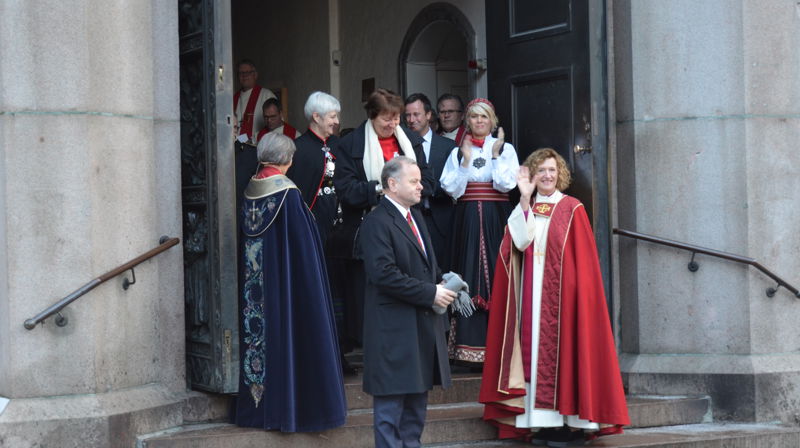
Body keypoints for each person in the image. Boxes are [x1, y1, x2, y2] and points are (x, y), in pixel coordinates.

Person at [479, 148, 629, 445]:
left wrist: (575, 298)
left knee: (568, 354)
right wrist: (524, 198)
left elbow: (583, 265)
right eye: (541, 170)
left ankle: (570, 423)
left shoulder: (572, 208)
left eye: (552, 170)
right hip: (532, 297)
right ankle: (543, 423)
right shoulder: (527, 207)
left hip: (565, 302)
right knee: (535, 357)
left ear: (560, 173)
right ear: (532, 175)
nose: (547, 175)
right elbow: (520, 242)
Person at [234, 132, 347, 432]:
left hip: (255, 286)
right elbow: (304, 249)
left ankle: (259, 409)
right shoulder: (288, 194)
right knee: (289, 334)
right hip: (286, 283)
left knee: (259, 337)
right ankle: (292, 412)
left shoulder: (250, 188)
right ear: (288, 160)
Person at [359, 156, 456, 448]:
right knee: (390, 410)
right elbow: (384, 274)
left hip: (420, 326)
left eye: (420, 181)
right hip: (393, 329)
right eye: (413, 181)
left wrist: (443, 282)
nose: (421, 187)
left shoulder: (415, 217)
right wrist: (430, 293)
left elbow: (426, 266)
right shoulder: (376, 221)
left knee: (415, 409)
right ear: (392, 184)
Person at [332, 88, 434, 349]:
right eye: (386, 119)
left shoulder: (411, 141)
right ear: (372, 115)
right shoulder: (350, 144)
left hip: (408, 228)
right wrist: (383, 189)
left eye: (396, 118)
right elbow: (346, 190)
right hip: (369, 226)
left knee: (409, 285)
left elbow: (428, 181)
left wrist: (408, 188)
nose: (392, 124)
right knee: (372, 295)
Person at [440, 98, 519, 366]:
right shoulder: (457, 151)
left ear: (492, 120)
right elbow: (452, 189)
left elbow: (506, 184)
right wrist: (465, 160)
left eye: (484, 117)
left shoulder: (505, 149)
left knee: (499, 273)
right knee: (468, 272)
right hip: (467, 219)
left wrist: (495, 156)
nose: (479, 121)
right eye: (474, 117)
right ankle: (468, 349)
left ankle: (502, 347)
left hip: (497, 217)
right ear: (468, 121)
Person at [404, 92, 456, 272]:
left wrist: (428, 188)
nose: (411, 120)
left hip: (440, 218)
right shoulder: (400, 145)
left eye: (416, 114)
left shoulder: (448, 147)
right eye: (408, 115)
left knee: (442, 270)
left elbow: (454, 181)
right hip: (410, 217)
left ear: (428, 115)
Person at [234, 59, 276, 144]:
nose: (244, 76)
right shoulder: (233, 98)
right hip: (236, 146)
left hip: (258, 146)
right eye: (241, 73)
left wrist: (253, 139)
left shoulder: (266, 95)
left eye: (248, 72)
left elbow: (276, 124)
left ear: (255, 75)